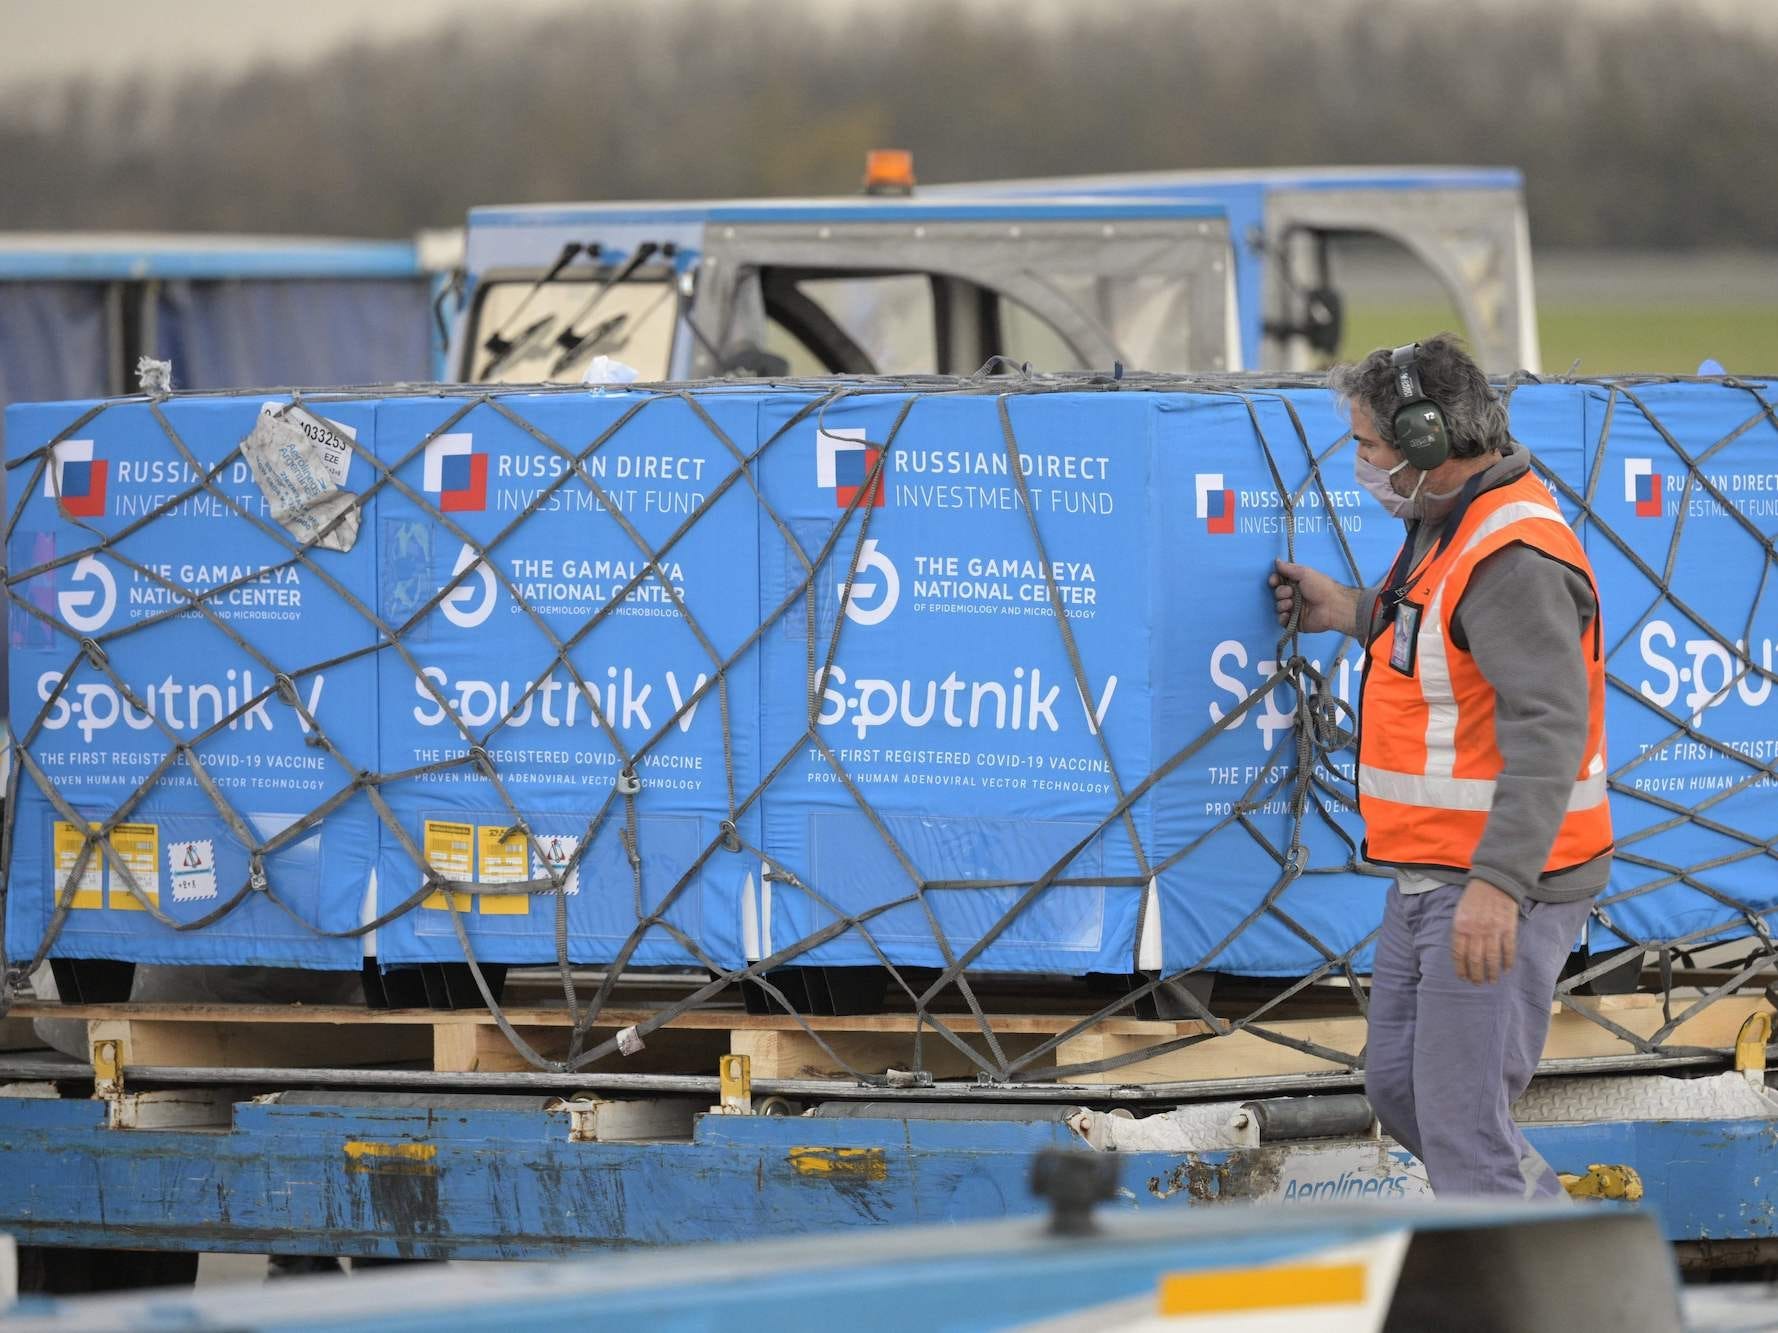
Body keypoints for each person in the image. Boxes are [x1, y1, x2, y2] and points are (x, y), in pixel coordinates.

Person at [1268, 335, 1612, 1199]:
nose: (1359, 464)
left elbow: (1550, 725)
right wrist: (1347, 609)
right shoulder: (1445, 522)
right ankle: (1557, 1252)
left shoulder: (1510, 557)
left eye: (1368, 446)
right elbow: (1438, 640)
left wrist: (1499, 884)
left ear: (1427, 445)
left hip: (1495, 879)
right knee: (1400, 1087)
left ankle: (1539, 1292)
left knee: (1461, 1124)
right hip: (1429, 872)